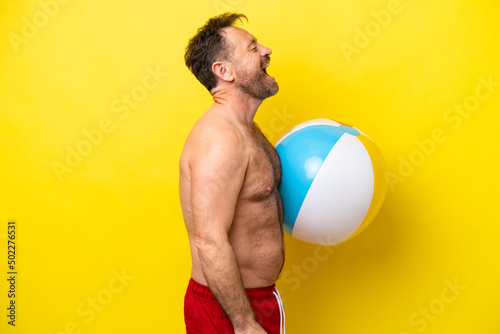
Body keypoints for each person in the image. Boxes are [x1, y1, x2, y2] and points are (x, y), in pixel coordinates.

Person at [180, 13, 285, 334]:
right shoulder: (221, 140)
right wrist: (243, 324)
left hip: (256, 300)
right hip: (230, 308)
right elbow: (209, 241)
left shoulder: (246, 130)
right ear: (224, 71)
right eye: (253, 48)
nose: (267, 50)